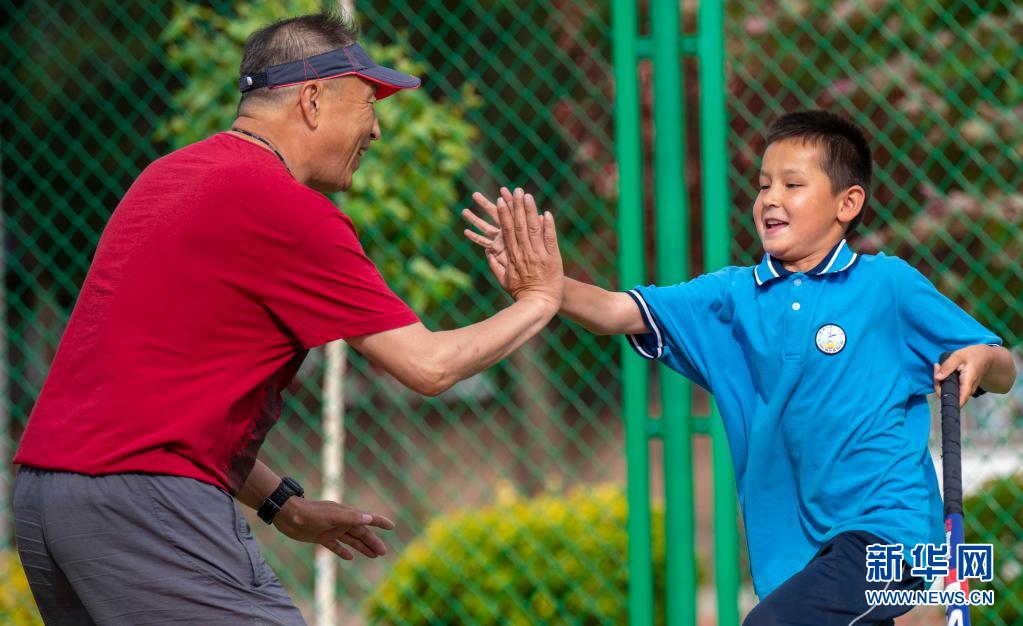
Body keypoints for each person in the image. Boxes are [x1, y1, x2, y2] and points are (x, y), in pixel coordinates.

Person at [12, 13, 563, 625]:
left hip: (48, 499)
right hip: (144, 506)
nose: (376, 129)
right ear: (312, 99)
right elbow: (428, 366)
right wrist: (539, 299)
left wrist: (282, 505)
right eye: (368, 102)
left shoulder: (165, 178)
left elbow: (156, 404)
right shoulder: (291, 211)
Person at [463, 111, 1017, 625]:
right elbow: (614, 311)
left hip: (890, 540)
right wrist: (545, 287)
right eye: (763, 185)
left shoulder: (885, 286)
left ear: (847, 204)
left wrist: (980, 357)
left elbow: (1002, 368)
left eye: (792, 185)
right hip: (794, 556)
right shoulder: (730, 300)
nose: (770, 198)